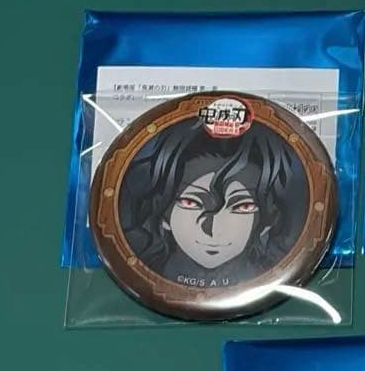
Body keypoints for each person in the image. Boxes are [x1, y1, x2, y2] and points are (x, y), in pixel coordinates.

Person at [117, 118, 308, 287]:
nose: (213, 229)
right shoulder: (144, 271)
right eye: (191, 202)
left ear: (268, 220)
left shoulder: (274, 274)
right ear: (163, 211)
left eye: (242, 206)